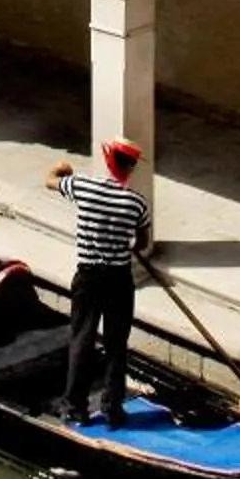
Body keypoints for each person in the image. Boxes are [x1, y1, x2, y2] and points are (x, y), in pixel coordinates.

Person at [49, 136, 151, 425]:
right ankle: (113, 411)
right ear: (130, 167)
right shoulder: (136, 204)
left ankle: (74, 408)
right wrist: (124, 241)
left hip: (89, 278)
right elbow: (140, 243)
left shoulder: (82, 186)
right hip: (119, 280)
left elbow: (50, 180)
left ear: (108, 161)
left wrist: (62, 167)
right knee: (117, 345)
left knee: (82, 339)